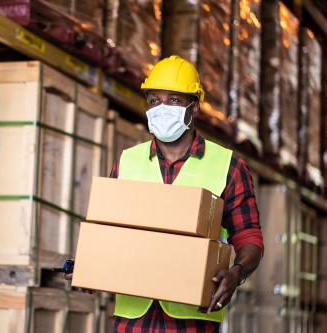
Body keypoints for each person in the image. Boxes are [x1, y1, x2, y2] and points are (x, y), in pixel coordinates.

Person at [67, 55, 264, 332]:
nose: (161, 108)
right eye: (154, 100)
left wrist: (236, 273)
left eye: (173, 100)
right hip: (133, 322)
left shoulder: (228, 167)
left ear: (193, 107)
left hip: (192, 322)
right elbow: (109, 234)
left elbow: (249, 238)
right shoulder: (127, 162)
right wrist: (90, 267)